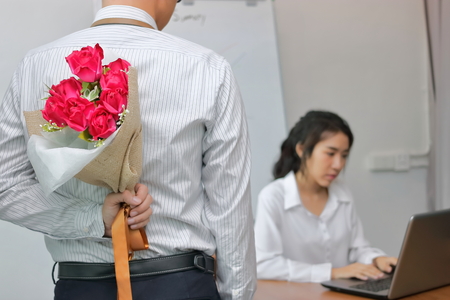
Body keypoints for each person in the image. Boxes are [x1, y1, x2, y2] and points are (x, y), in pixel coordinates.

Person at [0, 0, 256, 299]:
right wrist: (237, 295)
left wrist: (93, 219)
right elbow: (230, 203)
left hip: (82, 288)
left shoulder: (35, 64)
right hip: (181, 286)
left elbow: (5, 185)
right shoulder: (207, 67)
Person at [254, 110, 397, 283]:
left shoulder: (342, 192)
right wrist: (333, 273)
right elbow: (264, 265)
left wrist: (376, 259)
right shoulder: (273, 197)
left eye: (344, 155)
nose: (338, 165)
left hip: (341, 293)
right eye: (330, 153)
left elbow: (356, 248)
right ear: (301, 149)